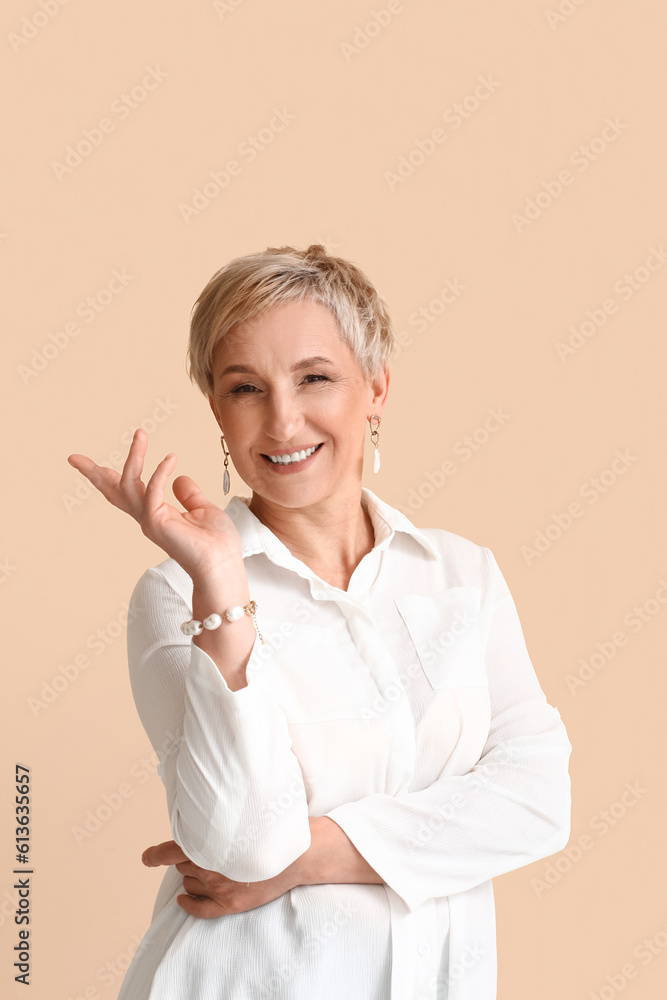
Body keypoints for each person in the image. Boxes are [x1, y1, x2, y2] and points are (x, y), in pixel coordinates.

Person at [67, 243, 572, 999]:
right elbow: (241, 842)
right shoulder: (177, 594)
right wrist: (222, 588)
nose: (281, 419)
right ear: (216, 407)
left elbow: (537, 801)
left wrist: (309, 857)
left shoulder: (463, 577)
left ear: (376, 388)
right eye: (245, 387)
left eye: (314, 378)